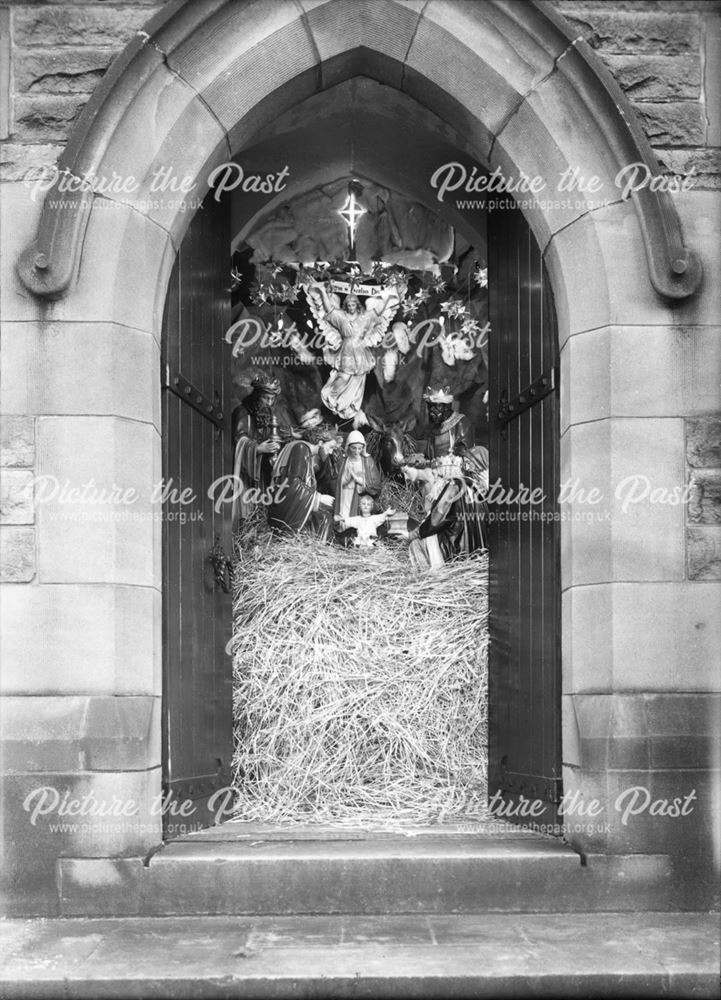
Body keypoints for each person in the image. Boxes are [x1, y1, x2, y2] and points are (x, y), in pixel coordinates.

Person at [231, 373, 287, 525]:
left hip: (262, 474)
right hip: (246, 474)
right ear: (257, 396)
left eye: (272, 399)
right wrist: (258, 448)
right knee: (247, 514)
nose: (269, 403)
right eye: (265, 398)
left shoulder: (268, 415)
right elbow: (239, 441)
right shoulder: (242, 412)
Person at [267, 429, 337, 541]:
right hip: (284, 511)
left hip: (290, 504)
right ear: (320, 442)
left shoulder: (306, 452)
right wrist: (318, 498)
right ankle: (316, 550)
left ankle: (316, 549)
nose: (331, 452)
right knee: (324, 519)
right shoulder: (301, 449)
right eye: (331, 447)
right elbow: (293, 483)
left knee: (325, 516)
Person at [334, 429, 381, 521]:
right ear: (348, 447)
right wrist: (344, 480)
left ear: (363, 447)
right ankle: (344, 527)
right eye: (353, 448)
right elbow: (337, 478)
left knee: (357, 515)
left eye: (360, 448)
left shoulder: (368, 461)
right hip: (345, 491)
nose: (356, 451)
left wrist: (358, 479)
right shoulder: (344, 460)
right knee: (344, 511)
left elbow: (375, 483)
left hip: (360, 494)